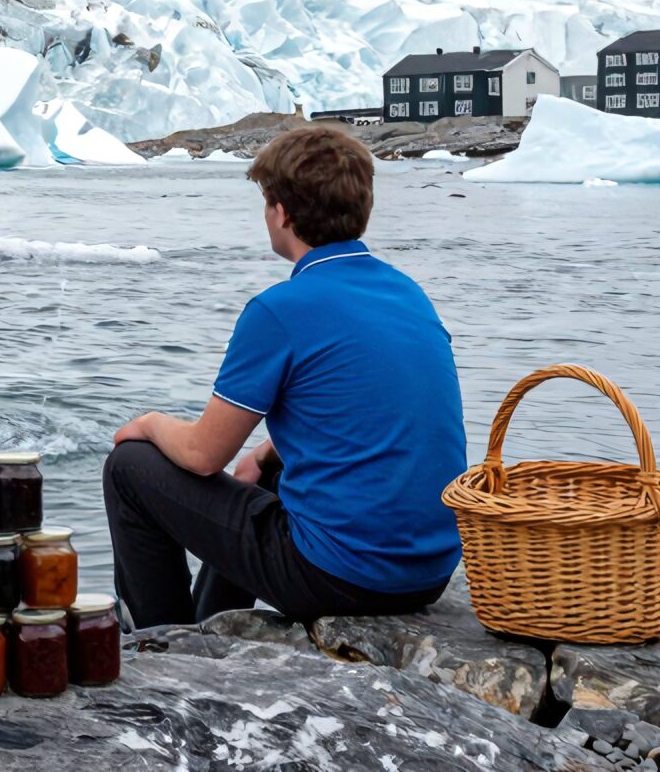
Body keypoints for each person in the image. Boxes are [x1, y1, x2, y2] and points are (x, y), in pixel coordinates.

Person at [103, 123, 465, 627]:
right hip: (427, 572)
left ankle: (162, 637)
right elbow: (376, 413)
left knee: (129, 467)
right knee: (269, 471)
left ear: (282, 212)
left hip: (340, 577)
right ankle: (211, 624)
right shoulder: (408, 294)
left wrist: (147, 424)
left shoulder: (280, 309)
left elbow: (203, 456)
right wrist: (266, 453)